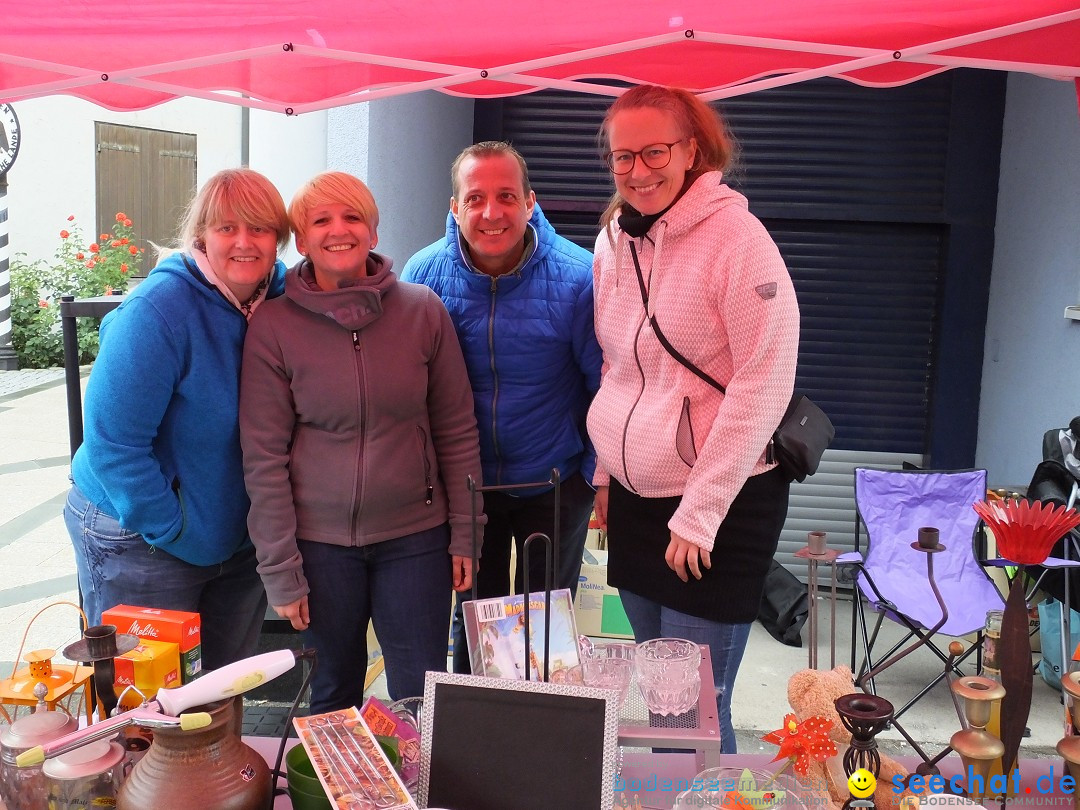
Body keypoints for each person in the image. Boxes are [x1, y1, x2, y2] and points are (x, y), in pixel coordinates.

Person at [588, 85, 800, 753]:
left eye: (655, 151)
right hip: (636, 495)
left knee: (696, 712)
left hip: (717, 502)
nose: (638, 170)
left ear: (692, 151)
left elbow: (763, 383)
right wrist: (604, 473)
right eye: (623, 156)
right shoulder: (613, 239)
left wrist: (700, 512)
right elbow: (618, 364)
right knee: (659, 699)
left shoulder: (739, 239)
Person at [240, 171, 483, 711]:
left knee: (421, 697)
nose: (338, 230)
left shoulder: (422, 311)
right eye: (320, 220)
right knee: (332, 695)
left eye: (352, 217)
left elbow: (456, 429)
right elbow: (263, 458)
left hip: (415, 538)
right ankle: (341, 796)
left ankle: (416, 796)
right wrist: (280, 566)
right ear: (300, 241)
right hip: (320, 547)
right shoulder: (274, 326)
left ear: (373, 232)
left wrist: (466, 530)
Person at [64, 168, 291, 670]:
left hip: (235, 539)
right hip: (142, 536)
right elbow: (111, 446)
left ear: (280, 239)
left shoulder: (278, 299)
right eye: (227, 228)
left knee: (219, 697)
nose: (244, 242)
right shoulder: (158, 310)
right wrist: (174, 528)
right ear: (200, 236)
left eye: (259, 228)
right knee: (147, 710)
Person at [401, 141, 602, 674]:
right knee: (472, 625)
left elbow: (604, 381)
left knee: (543, 631)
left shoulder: (579, 277)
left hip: (555, 483)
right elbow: (408, 390)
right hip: (466, 491)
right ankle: (469, 738)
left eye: (507, 196)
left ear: (530, 202)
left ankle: (536, 738)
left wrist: (590, 476)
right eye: (476, 198)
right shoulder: (424, 277)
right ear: (455, 207)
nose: (492, 213)